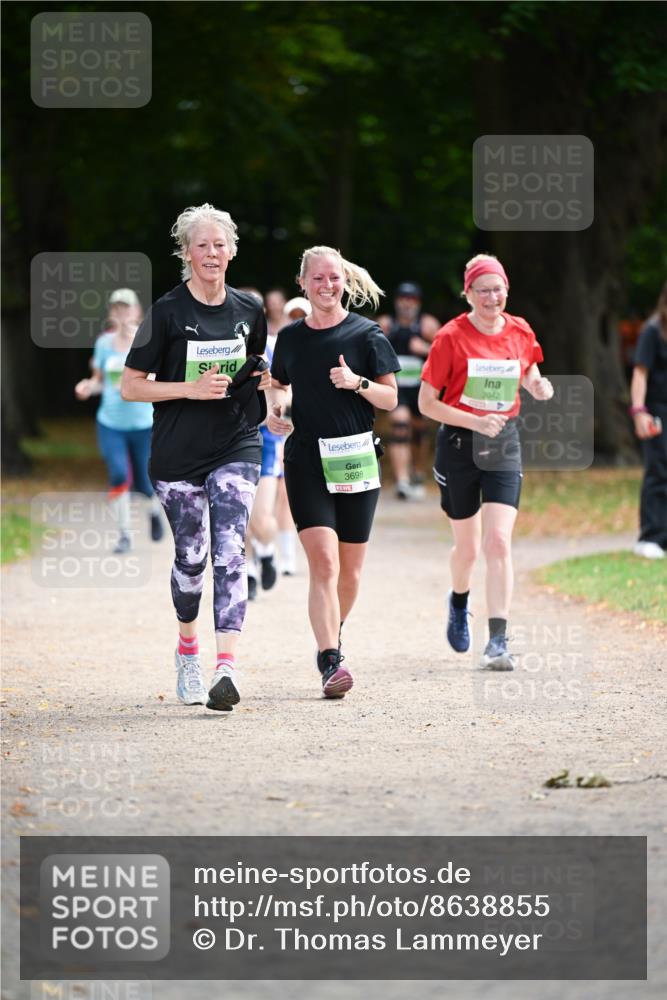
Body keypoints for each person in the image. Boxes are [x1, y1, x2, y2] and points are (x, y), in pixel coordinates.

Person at [120, 203, 270, 710]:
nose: (211, 253)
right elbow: (130, 387)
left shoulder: (249, 311)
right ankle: (188, 651)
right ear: (186, 253)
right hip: (178, 454)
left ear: (231, 250)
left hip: (236, 442)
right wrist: (191, 388)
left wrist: (270, 396)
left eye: (219, 244)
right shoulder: (165, 313)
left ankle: (226, 667)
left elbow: (251, 375)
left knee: (230, 548)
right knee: (192, 559)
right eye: (201, 245)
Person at [268, 246, 400, 698]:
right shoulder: (290, 338)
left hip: (357, 457)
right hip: (306, 458)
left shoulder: (367, 335)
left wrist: (357, 383)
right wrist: (278, 409)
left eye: (334, 278)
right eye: (318, 279)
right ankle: (330, 660)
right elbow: (279, 385)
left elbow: (390, 399)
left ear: (344, 281)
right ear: (302, 283)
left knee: (350, 573)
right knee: (323, 562)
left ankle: (332, 633)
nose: (327, 286)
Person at [419, 254, 553, 670]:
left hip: (503, 442)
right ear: (469, 293)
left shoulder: (519, 330)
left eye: (499, 289)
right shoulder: (450, 337)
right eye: (484, 290)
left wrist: (538, 385)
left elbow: (527, 369)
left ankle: (497, 641)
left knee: (498, 541)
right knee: (468, 548)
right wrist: (476, 419)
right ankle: (459, 601)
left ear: (506, 291)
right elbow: (427, 404)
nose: (492, 297)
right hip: (459, 445)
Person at [74, 288, 163, 553]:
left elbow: (159, 379)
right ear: (111, 313)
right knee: (119, 474)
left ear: (137, 311)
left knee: (146, 482)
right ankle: (124, 535)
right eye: (117, 309)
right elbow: (99, 381)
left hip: (143, 423)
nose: (122, 313)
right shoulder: (103, 344)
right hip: (111, 423)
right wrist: (87, 387)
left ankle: (154, 511)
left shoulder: (148, 341)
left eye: (127, 308)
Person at [378, 282, 440, 500]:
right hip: (396, 387)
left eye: (412, 299)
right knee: (400, 427)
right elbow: (369, 348)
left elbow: (447, 353)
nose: (407, 303)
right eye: (403, 298)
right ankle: (402, 481)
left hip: (420, 387)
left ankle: (417, 473)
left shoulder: (427, 325)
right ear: (396, 301)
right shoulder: (386, 325)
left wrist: (425, 348)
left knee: (418, 433)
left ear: (418, 303)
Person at [630, 281, 667, 559]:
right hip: (656, 410)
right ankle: (651, 537)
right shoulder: (652, 331)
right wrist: (639, 411)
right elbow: (640, 373)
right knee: (658, 471)